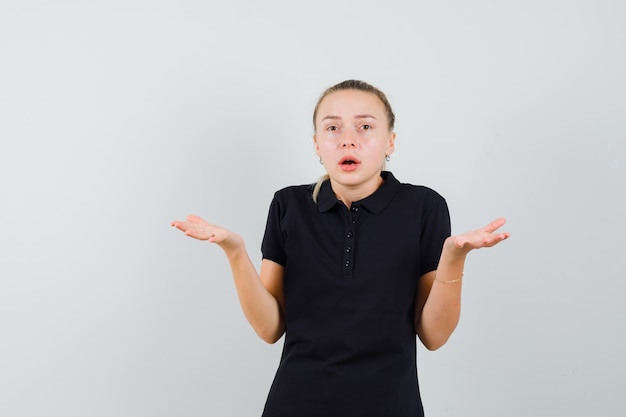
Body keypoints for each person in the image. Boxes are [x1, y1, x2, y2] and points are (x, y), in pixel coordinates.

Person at [171, 80, 510, 416]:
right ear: (317, 144)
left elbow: (434, 335)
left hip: (391, 406)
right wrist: (235, 251)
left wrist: (454, 258)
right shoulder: (288, 205)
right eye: (332, 128)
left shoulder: (424, 207)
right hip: (295, 404)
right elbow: (270, 328)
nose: (348, 139)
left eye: (365, 127)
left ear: (390, 142)